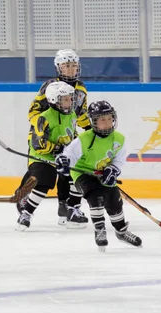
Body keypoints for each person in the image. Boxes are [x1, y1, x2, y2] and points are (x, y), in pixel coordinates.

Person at [55, 100, 142, 251]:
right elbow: (69, 156)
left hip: (103, 173)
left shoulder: (118, 139)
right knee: (95, 197)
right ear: (94, 122)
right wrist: (64, 161)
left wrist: (113, 169)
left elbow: (119, 159)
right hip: (83, 173)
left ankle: (121, 231)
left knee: (114, 199)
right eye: (102, 119)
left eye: (109, 118)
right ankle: (100, 229)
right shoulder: (84, 139)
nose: (107, 123)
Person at [16, 49, 89, 226]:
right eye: (66, 66)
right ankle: (23, 194)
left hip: (67, 137)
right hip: (44, 139)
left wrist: (92, 132)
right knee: (41, 171)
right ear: (59, 67)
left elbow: (80, 115)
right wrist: (42, 128)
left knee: (69, 172)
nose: (70, 69)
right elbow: (33, 111)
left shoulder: (80, 89)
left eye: (73, 65)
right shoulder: (50, 86)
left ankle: (66, 206)